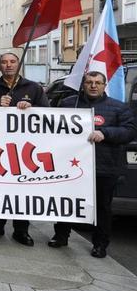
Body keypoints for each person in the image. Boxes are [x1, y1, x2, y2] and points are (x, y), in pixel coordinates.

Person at [50, 71, 137, 258]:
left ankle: (100, 244)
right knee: (67, 202)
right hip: (71, 166)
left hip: (105, 167)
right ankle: (61, 235)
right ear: (83, 84)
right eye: (89, 82)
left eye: (98, 82)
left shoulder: (118, 108)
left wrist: (105, 133)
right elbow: (50, 126)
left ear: (105, 85)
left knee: (103, 208)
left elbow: (129, 132)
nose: (93, 86)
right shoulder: (68, 104)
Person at [0, 52, 48, 246]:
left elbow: (48, 115)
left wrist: (31, 108)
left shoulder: (34, 88)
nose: (8, 65)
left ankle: (21, 230)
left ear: (19, 64)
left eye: (12, 62)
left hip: (25, 150)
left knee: (22, 190)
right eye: (4, 62)